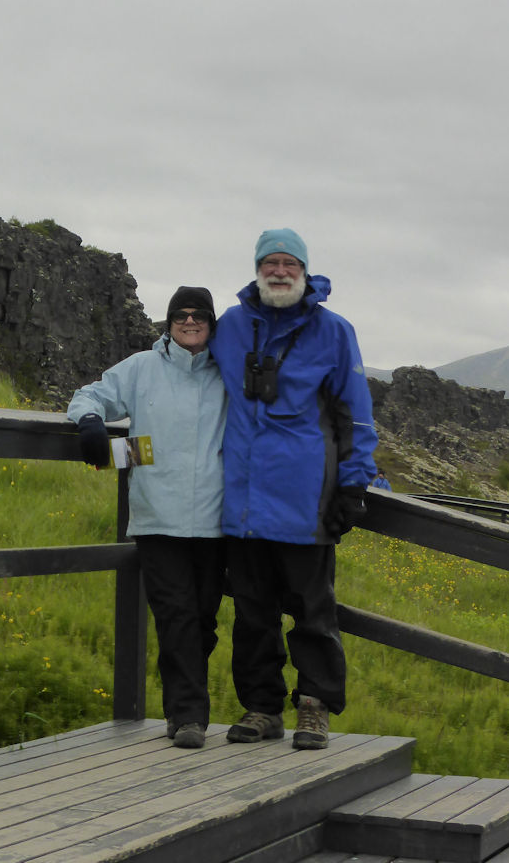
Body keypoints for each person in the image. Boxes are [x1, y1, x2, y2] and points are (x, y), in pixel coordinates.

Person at [210, 229, 377, 751]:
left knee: (313, 611)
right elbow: (182, 364)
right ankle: (261, 708)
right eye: (270, 263)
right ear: (257, 269)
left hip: (308, 500)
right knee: (252, 612)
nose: (279, 271)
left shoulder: (334, 331)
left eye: (288, 263)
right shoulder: (231, 326)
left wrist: (354, 483)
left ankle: (314, 707)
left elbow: (355, 412)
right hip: (244, 501)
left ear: (304, 271)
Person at [67, 287, 227, 750]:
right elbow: (89, 394)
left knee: (203, 620)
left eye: (199, 315)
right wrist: (92, 424)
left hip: (217, 519)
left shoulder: (227, 373)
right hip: (159, 515)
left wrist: (134, 452)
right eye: (181, 314)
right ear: (168, 321)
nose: (190, 321)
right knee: (175, 615)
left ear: (212, 323)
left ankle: (182, 705)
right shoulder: (141, 368)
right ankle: (189, 714)